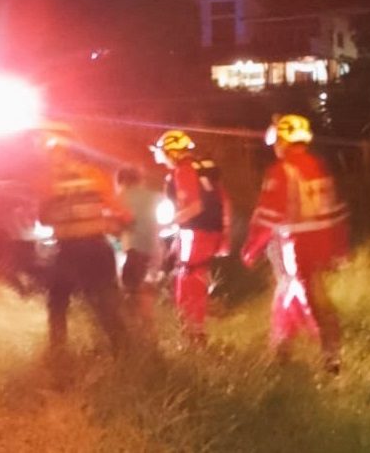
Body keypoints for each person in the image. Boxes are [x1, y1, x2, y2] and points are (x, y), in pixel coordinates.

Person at [240, 114, 350, 374]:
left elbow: (268, 214)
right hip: (321, 242)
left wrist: (251, 248)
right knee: (297, 295)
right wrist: (339, 249)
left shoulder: (280, 171)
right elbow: (335, 210)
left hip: (295, 245)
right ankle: (284, 349)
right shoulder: (318, 166)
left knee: (306, 297)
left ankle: (326, 357)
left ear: (283, 140)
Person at [38, 133, 130, 354]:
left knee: (57, 304)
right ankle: (123, 351)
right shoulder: (95, 176)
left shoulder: (50, 182)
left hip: (68, 249)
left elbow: (43, 218)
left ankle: (58, 352)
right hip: (97, 247)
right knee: (105, 303)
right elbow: (121, 212)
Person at [150, 130, 231, 345]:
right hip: (206, 233)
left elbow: (195, 207)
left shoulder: (183, 172)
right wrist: (223, 236)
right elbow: (224, 202)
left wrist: (167, 223)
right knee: (191, 278)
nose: (161, 157)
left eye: (163, 152)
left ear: (171, 152)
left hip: (195, 234)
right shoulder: (203, 170)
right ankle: (195, 332)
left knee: (188, 281)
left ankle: (193, 335)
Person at [115, 166, 162, 336]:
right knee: (147, 290)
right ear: (141, 180)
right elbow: (165, 221)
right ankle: (150, 332)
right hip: (155, 251)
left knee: (131, 292)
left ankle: (137, 333)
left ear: (121, 182)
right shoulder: (155, 197)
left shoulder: (119, 198)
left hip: (133, 250)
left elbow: (114, 225)